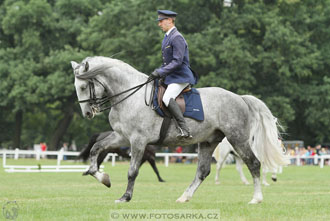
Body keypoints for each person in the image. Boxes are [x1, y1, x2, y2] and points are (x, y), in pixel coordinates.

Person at [149, 9, 197, 139]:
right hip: (172, 76)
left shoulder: (177, 37)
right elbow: (166, 63)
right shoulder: (167, 37)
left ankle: (184, 129)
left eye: (161, 21)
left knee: (166, 98)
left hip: (181, 76)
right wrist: (158, 73)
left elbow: (177, 61)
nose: (159, 24)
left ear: (170, 20)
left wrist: (160, 72)